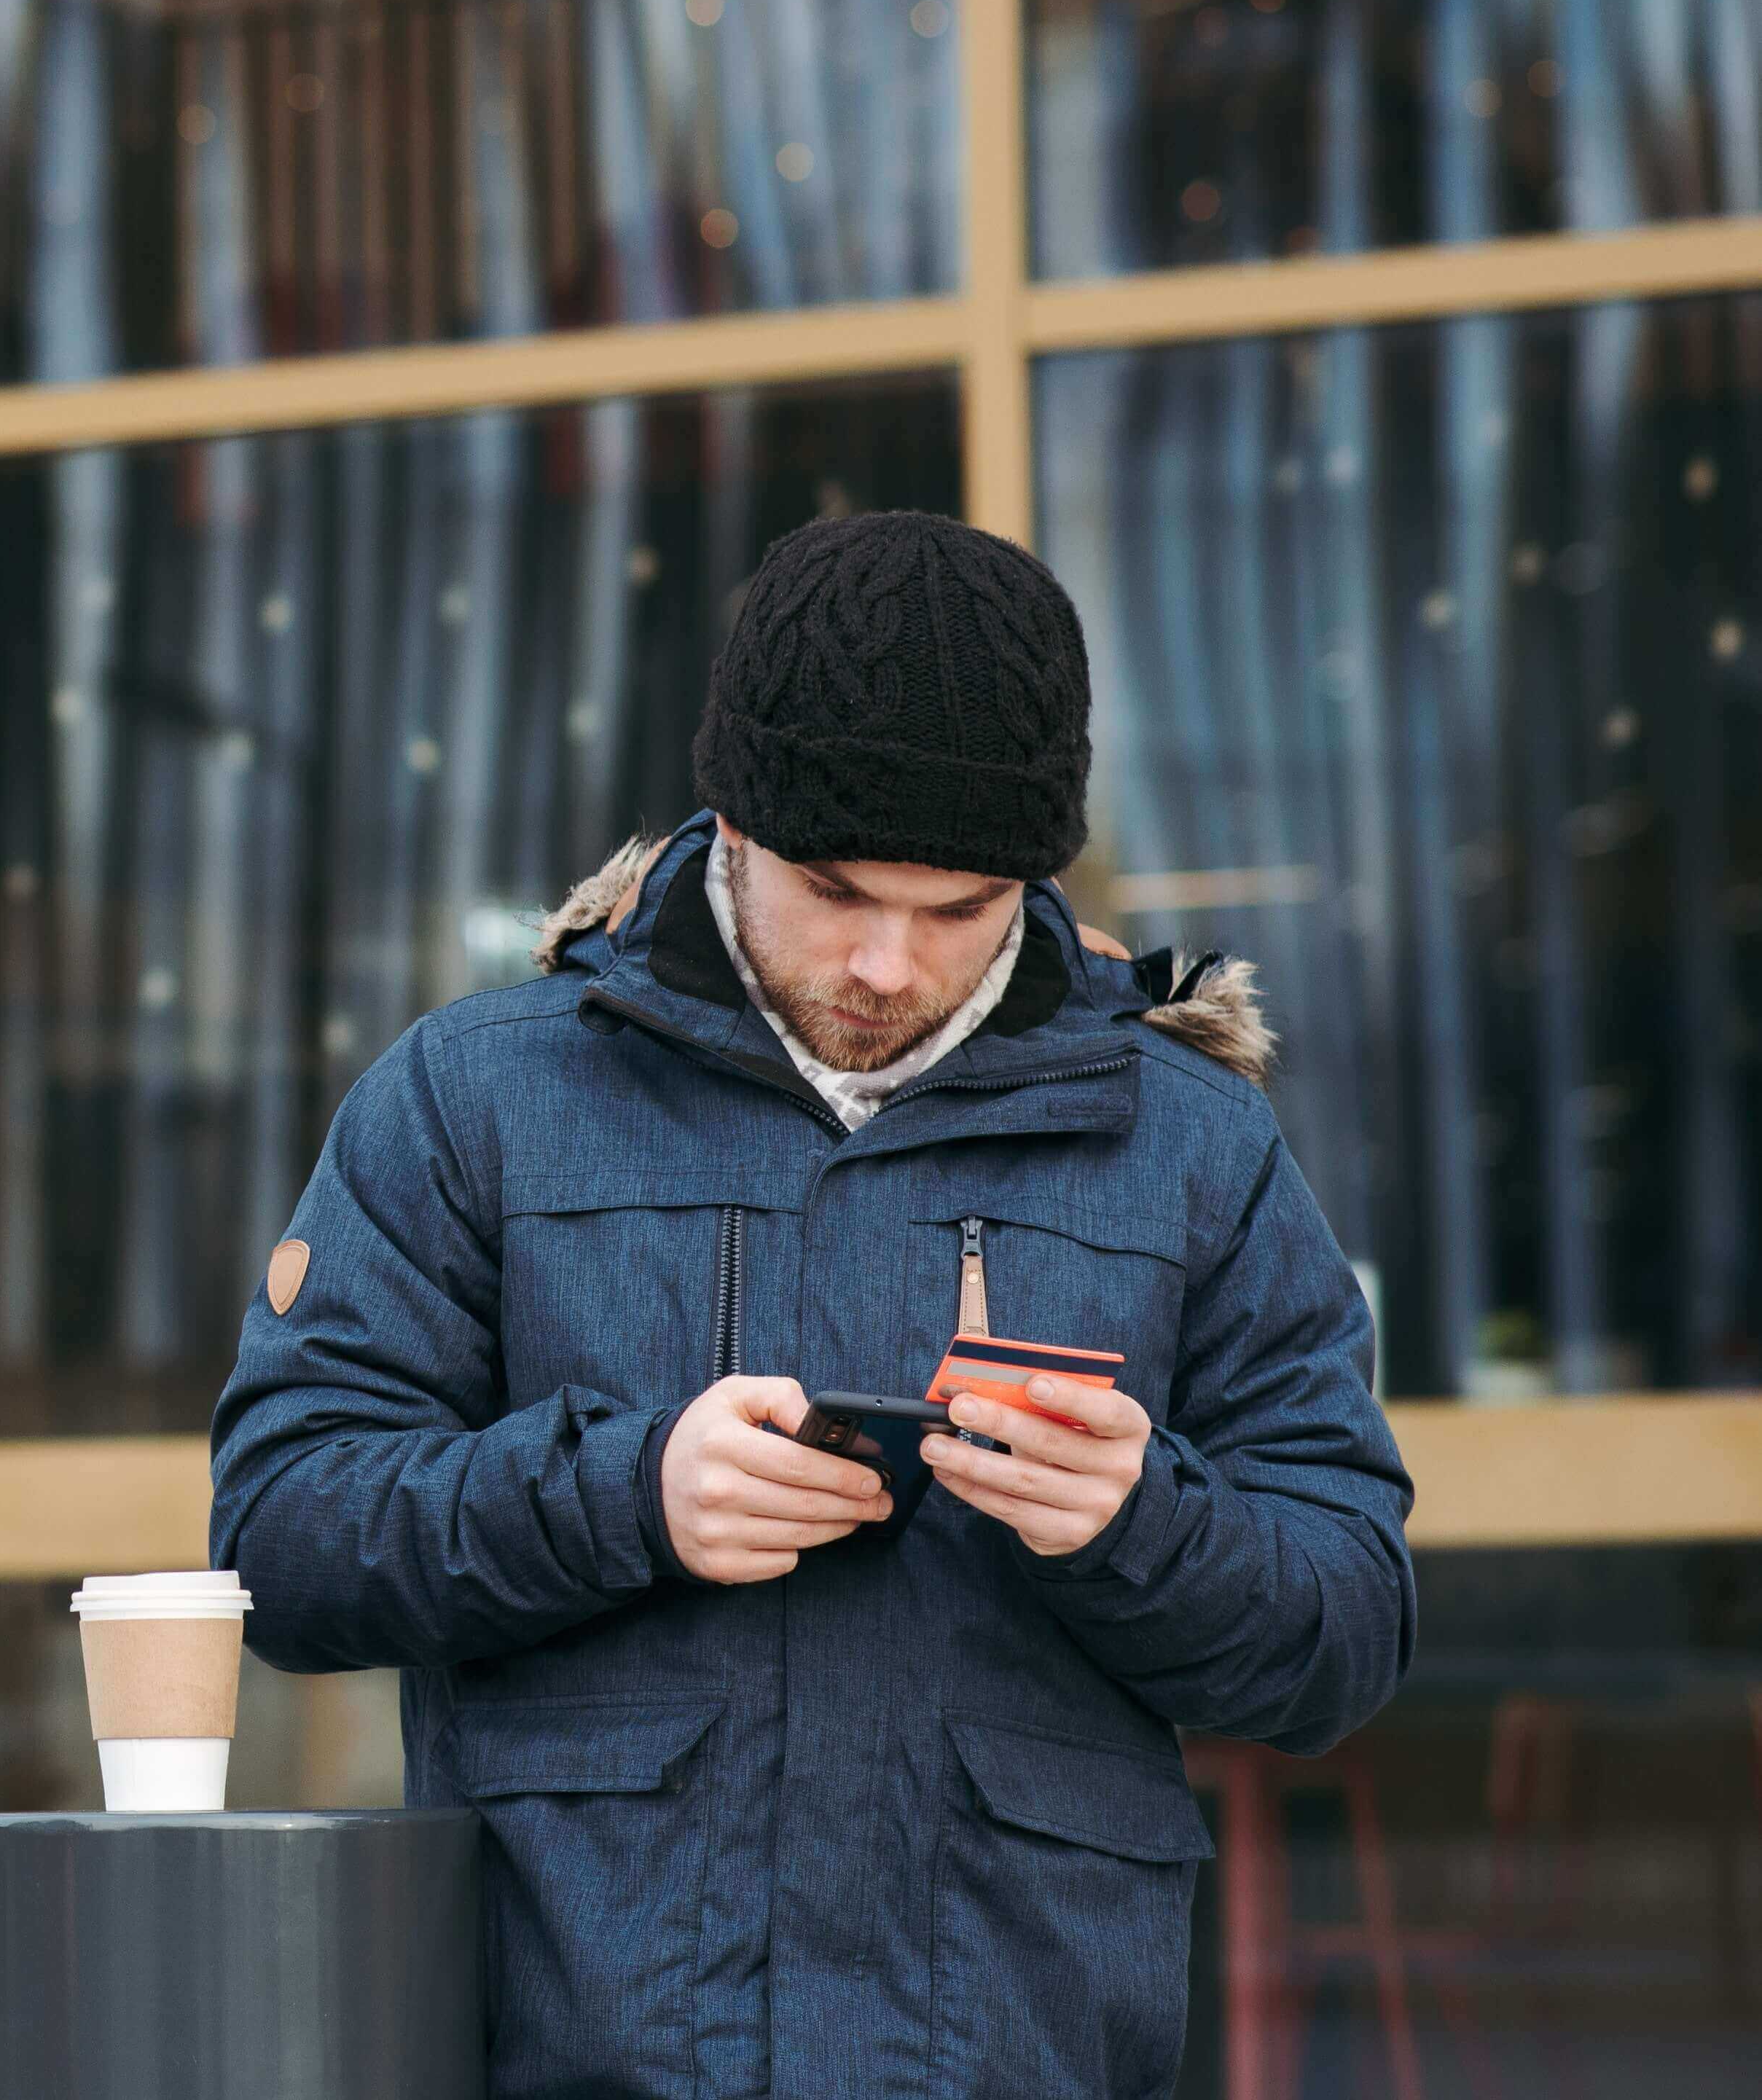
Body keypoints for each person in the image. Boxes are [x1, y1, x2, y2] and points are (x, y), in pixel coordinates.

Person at [211, 510, 1411, 2100]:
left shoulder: (1186, 1141)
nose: (886, 961)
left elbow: (1347, 1626)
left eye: (960, 906)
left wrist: (1137, 1521)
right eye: (834, 888)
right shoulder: (472, 1096)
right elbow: (281, 1536)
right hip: (570, 2057)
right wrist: (625, 1494)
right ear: (731, 819)